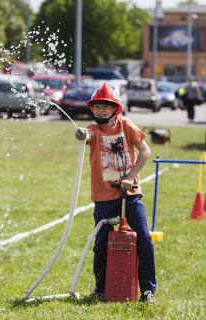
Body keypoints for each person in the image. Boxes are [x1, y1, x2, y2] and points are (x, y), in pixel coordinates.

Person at [74, 83, 156, 303]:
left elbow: (145, 151)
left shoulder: (126, 125)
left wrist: (130, 177)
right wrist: (82, 134)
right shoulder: (94, 129)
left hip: (130, 195)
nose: (100, 110)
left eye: (105, 106)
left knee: (145, 239)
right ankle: (101, 289)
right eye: (97, 106)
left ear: (115, 108)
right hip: (103, 198)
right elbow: (87, 135)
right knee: (101, 244)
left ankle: (148, 291)